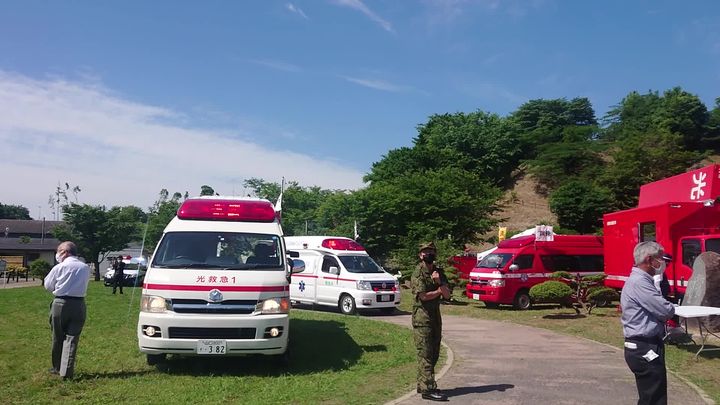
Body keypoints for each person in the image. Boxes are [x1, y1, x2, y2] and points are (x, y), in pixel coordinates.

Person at [621, 241, 676, 405]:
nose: (662, 263)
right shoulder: (640, 282)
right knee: (654, 397)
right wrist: (669, 307)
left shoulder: (641, 280)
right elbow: (666, 310)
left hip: (644, 345)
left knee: (650, 395)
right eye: (660, 258)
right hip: (644, 346)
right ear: (649, 259)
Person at [44, 241, 90, 380]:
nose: (57, 254)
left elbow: (48, 285)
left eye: (59, 251)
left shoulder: (59, 267)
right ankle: (66, 371)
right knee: (72, 338)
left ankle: (57, 367)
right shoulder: (85, 267)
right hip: (79, 304)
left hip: (60, 303)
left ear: (65, 252)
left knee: (58, 336)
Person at [411, 241, 451, 402]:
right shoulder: (417, 273)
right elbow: (423, 297)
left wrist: (439, 283)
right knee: (425, 354)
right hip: (422, 319)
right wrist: (438, 291)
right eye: (425, 252)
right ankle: (428, 389)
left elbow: (447, 295)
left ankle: (423, 384)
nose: (429, 254)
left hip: (435, 318)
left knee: (434, 353)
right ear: (420, 255)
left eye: (431, 251)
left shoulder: (439, 272)